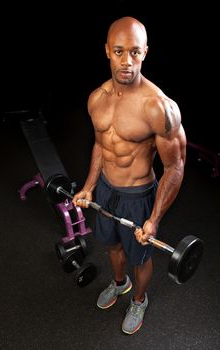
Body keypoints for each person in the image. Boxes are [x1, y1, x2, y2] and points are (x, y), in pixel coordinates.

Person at [72, 16, 186, 335]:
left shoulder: (158, 108)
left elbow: (175, 167)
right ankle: (120, 283)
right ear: (107, 51)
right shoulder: (97, 99)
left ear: (145, 52)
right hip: (107, 190)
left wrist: (154, 219)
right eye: (119, 51)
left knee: (140, 258)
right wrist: (90, 187)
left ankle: (139, 298)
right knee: (111, 246)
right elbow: (101, 144)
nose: (127, 61)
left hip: (138, 196)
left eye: (135, 52)